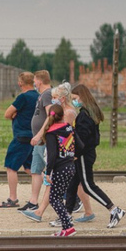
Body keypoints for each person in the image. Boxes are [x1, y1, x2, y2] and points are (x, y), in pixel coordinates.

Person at [22, 82, 91, 223]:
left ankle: (41, 212)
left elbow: (62, 132)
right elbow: (49, 122)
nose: (52, 100)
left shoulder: (68, 113)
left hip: (63, 153)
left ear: (62, 98)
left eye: (54, 97)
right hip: (64, 153)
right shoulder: (59, 111)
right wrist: (39, 136)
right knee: (74, 183)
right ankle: (88, 211)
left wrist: (45, 137)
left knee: (55, 183)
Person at [65, 83, 126, 228]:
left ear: (81, 97)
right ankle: (65, 216)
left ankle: (114, 209)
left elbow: (82, 139)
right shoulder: (89, 112)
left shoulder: (84, 115)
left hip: (83, 155)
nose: (74, 101)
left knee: (88, 186)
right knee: (72, 184)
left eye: (75, 98)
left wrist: (75, 154)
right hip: (86, 153)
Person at [1, 72, 39, 208]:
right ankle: (61, 191)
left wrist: (15, 115)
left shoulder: (22, 97)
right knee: (31, 169)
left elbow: (7, 113)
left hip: (21, 136)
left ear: (20, 83)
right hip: (34, 136)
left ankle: (13, 198)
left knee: (11, 166)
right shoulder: (38, 96)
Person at [19, 70, 53, 212]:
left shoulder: (47, 94)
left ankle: (74, 197)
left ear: (39, 80)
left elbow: (51, 115)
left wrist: (40, 134)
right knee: (35, 170)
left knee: (53, 171)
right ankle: (33, 201)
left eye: (35, 80)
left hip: (44, 139)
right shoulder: (42, 95)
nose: (33, 83)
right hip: (39, 141)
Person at [41, 103, 77, 237]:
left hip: (60, 169)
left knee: (54, 198)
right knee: (59, 197)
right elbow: (79, 143)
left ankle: (68, 227)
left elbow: (52, 155)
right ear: (63, 115)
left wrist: (47, 172)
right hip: (70, 167)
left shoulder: (51, 133)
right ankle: (67, 227)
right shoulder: (69, 128)